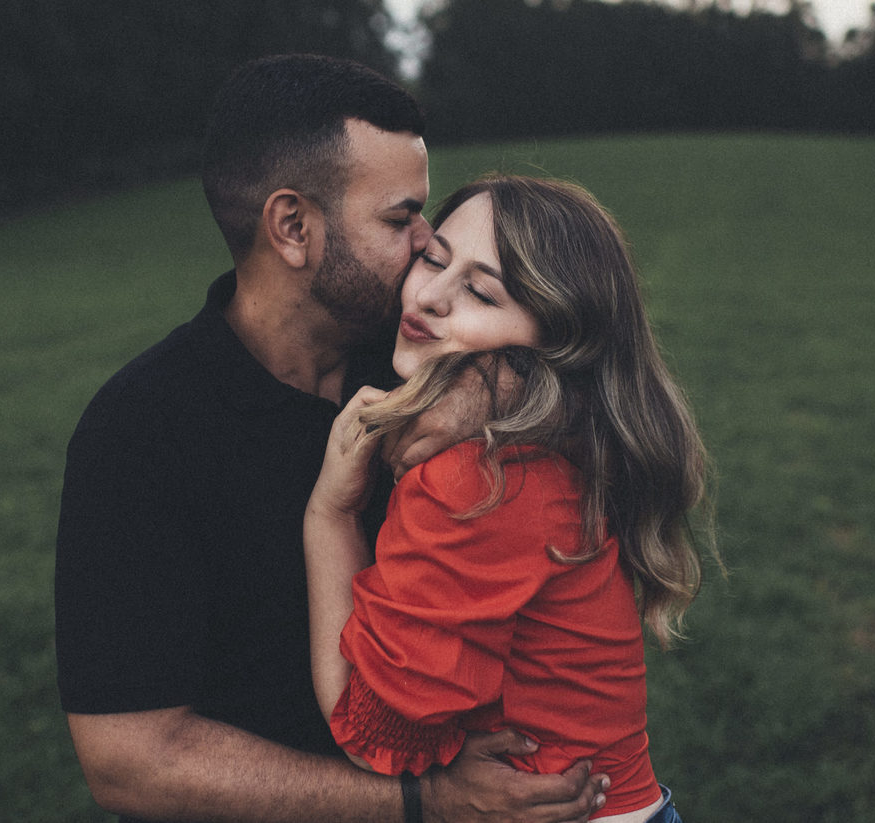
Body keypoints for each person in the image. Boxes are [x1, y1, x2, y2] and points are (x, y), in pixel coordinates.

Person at [55, 55, 608, 823]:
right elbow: (131, 759)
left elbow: (609, 392)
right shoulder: (143, 430)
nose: (426, 242)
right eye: (398, 217)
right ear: (293, 228)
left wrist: (497, 393)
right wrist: (421, 803)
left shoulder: (424, 353)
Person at [306, 176, 717, 822]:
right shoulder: (554, 440)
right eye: (435, 259)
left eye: (481, 291)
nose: (432, 297)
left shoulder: (485, 479)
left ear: (551, 342)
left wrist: (327, 515)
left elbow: (371, 728)